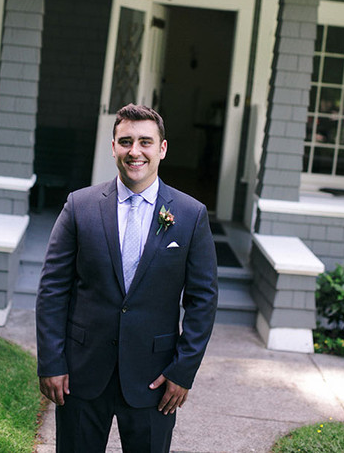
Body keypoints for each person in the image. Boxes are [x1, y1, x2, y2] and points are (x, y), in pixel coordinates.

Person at [36, 103, 218, 453]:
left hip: (155, 377)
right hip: (82, 371)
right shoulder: (79, 206)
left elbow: (203, 300)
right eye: (126, 141)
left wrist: (183, 370)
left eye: (145, 142)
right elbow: (52, 289)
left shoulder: (190, 215)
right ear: (114, 147)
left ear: (162, 149)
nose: (135, 151)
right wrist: (51, 361)